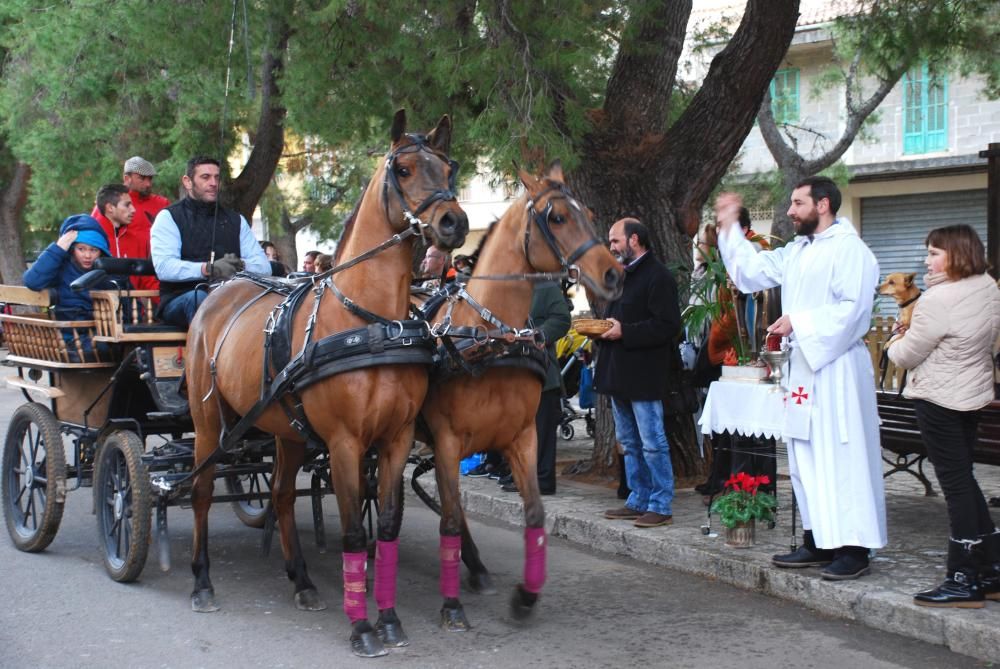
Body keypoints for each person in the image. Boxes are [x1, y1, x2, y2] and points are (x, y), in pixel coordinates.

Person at [714, 177, 886, 580]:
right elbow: (750, 273)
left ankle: (855, 548)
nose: (790, 211)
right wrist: (728, 228)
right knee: (806, 456)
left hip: (837, 367)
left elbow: (854, 312)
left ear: (823, 204)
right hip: (805, 368)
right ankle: (818, 540)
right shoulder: (798, 251)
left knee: (842, 455)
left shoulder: (851, 251)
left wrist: (799, 321)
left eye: (797, 203)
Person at [886, 224, 1000, 607]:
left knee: (955, 486)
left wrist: (895, 337)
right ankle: (991, 570)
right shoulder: (987, 286)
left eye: (934, 252)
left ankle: (962, 578)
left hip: (938, 400)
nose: (926, 260)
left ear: (957, 253)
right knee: (963, 479)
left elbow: (903, 356)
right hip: (972, 395)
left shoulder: (938, 300)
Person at [596, 217, 680, 529]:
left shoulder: (658, 277)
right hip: (619, 373)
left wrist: (624, 332)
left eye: (615, 240)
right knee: (629, 443)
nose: (611, 246)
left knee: (652, 442)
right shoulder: (622, 275)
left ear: (634, 240)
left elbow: (668, 326)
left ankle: (661, 503)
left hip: (645, 375)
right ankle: (638, 498)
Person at [150, 156, 271, 328]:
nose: (213, 183)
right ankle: (214, 355)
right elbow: (164, 267)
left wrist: (239, 265)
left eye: (217, 177)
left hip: (233, 297)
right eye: (205, 177)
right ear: (188, 181)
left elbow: (264, 266)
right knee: (201, 300)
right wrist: (208, 269)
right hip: (182, 299)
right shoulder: (169, 217)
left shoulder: (236, 220)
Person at [500, 281, 572, 495]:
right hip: (514, 373)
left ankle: (542, 479)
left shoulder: (546, 288)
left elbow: (561, 319)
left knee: (542, 429)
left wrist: (540, 334)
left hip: (542, 373)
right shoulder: (507, 288)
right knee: (518, 429)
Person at [23, 215, 117, 360]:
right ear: (72, 249)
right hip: (71, 338)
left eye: (93, 250)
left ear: (102, 251)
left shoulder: (108, 271)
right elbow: (32, 281)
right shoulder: (60, 268)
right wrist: (59, 248)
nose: (87, 255)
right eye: (81, 249)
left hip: (106, 334)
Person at [91, 156, 169, 293]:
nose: (148, 184)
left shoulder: (161, 204)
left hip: (153, 270)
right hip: (122, 270)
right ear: (127, 178)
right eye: (142, 178)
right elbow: (95, 236)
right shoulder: (112, 204)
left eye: (150, 179)